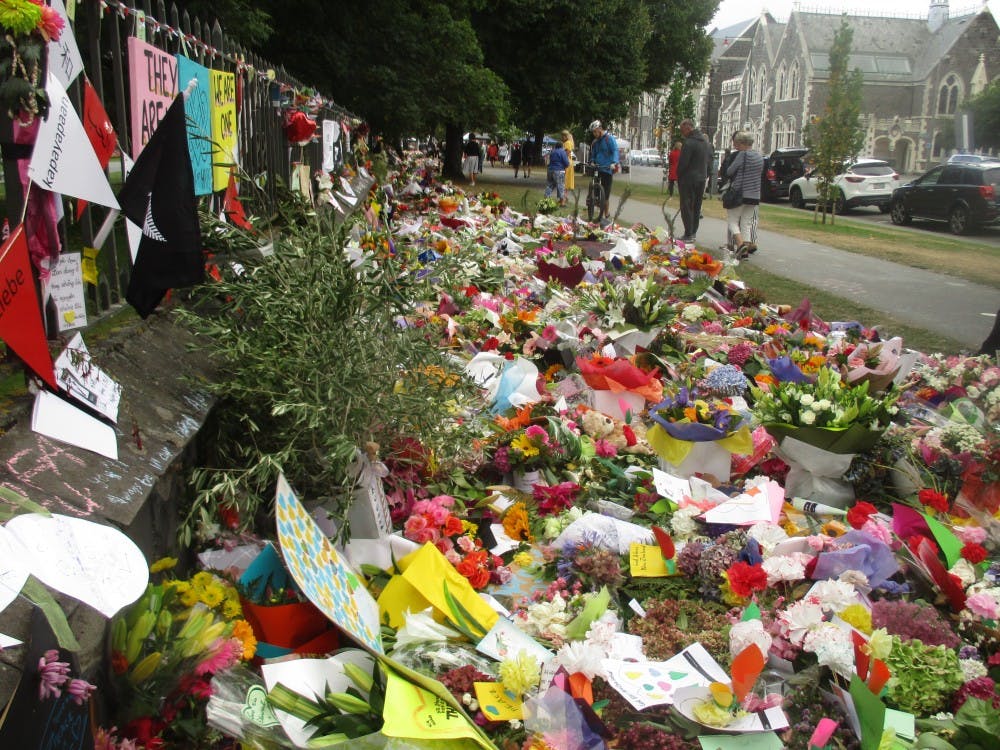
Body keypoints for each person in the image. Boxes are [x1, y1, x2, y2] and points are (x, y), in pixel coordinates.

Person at [724, 131, 765, 259]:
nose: (735, 145)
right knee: (746, 222)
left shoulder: (742, 155)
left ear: (742, 143)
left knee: (732, 220)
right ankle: (745, 250)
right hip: (755, 194)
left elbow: (730, 171)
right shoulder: (759, 157)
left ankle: (741, 245)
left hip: (740, 193)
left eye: (736, 142)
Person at [676, 118, 712, 242]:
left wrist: (678, 176)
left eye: (682, 130)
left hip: (688, 179)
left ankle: (688, 233)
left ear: (688, 128)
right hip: (701, 177)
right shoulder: (705, 142)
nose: (682, 133)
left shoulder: (689, 143)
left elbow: (683, 163)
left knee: (686, 206)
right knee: (696, 206)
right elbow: (709, 160)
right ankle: (693, 232)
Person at [588, 120, 620, 223]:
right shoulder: (595, 142)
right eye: (593, 132)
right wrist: (592, 161)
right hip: (598, 168)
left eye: (595, 132)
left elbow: (615, 150)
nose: (594, 134)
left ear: (600, 129)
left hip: (607, 168)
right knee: (596, 188)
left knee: (605, 194)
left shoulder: (609, 139)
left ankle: (606, 214)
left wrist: (614, 162)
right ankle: (593, 200)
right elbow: (593, 154)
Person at [544, 140, 570, 205]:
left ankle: (546, 199)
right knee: (561, 185)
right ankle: (562, 202)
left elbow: (549, 161)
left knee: (550, 185)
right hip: (559, 171)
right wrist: (566, 165)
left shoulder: (552, 152)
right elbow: (566, 163)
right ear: (562, 146)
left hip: (550, 170)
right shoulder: (562, 152)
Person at [561, 129, 576, 198]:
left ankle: (564, 196)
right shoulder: (567, 143)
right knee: (565, 180)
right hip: (567, 162)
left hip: (566, 162)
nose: (562, 137)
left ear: (565, 136)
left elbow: (567, 152)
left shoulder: (567, 143)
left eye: (563, 136)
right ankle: (565, 196)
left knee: (565, 180)